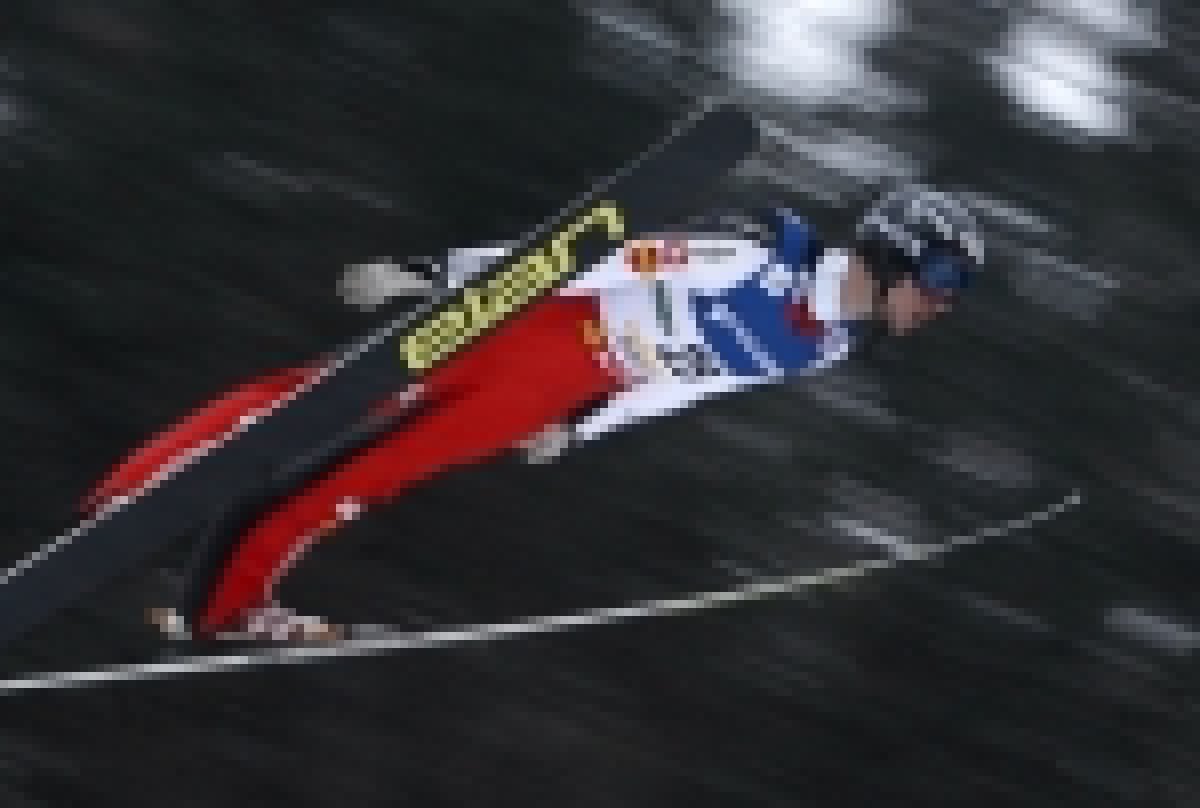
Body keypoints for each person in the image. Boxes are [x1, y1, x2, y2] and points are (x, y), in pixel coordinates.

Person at [82, 185, 984, 643]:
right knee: (321, 400)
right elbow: (595, 256)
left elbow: (689, 383)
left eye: (955, 293)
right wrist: (440, 275)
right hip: (539, 325)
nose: (942, 304)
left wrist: (582, 425)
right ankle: (137, 491)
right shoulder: (761, 255)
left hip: (563, 387)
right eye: (941, 280)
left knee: (367, 476)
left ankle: (230, 602)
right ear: (897, 251)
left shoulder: (825, 346)